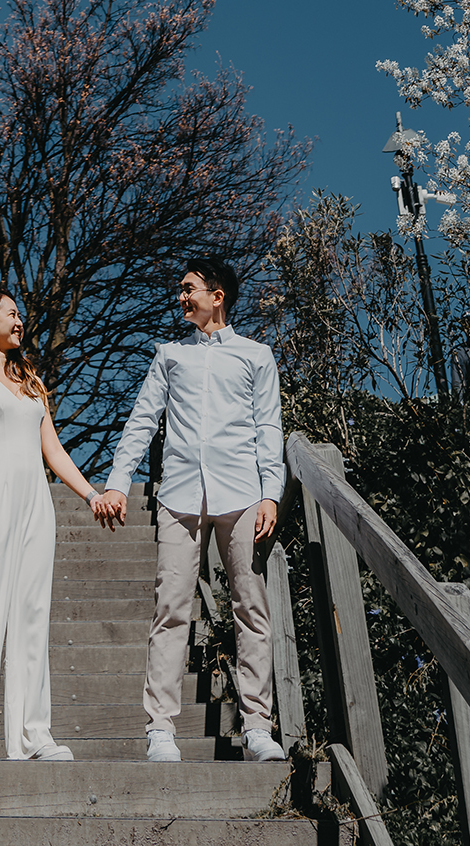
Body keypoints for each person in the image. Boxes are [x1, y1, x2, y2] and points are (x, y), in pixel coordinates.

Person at [93, 258, 287, 765]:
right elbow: (141, 421)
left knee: (251, 607)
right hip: (179, 495)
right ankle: (160, 728)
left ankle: (258, 727)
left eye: (189, 289)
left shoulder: (256, 356)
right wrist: (117, 483)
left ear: (216, 295)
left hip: (242, 493)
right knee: (171, 607)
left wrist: (271, 492)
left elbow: (268, 428)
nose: (181, 297)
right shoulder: (169, 356)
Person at [0, 287, 102, 762]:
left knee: (32, 614)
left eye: (21, 315)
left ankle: (34, 737)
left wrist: (91, 495)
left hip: (36, 503)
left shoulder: (32, 382)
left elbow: (52, 450)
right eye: (12, 314)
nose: (20, 321)